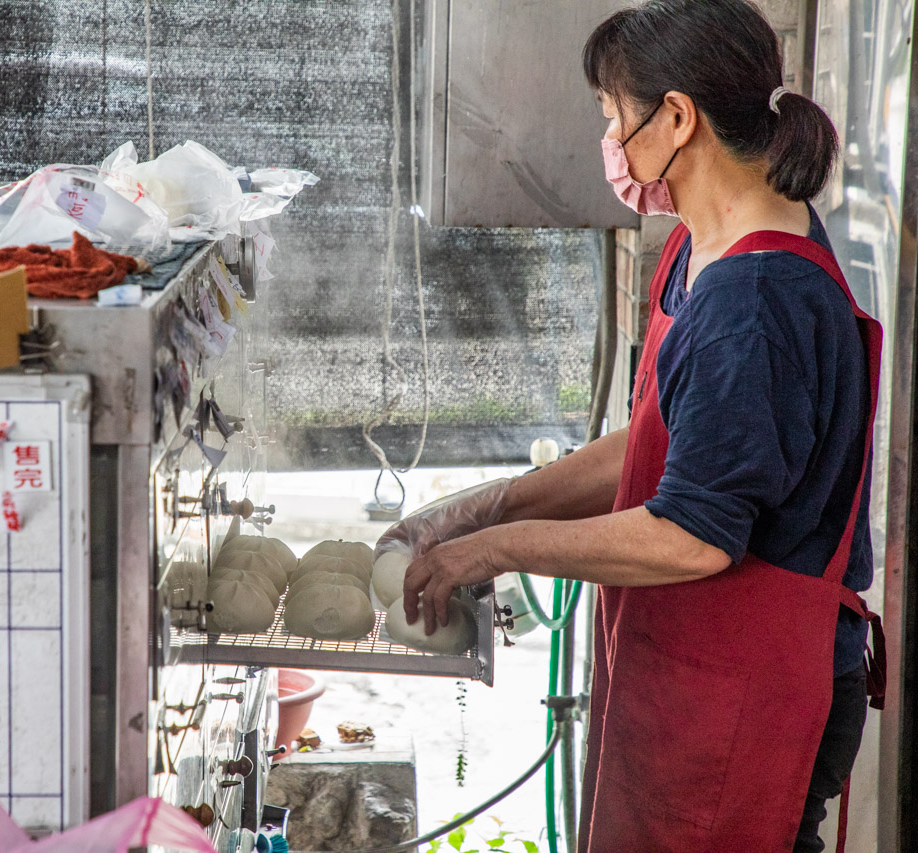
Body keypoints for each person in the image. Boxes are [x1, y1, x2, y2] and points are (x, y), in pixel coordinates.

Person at [378, 1, 885, 851]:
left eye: (615, 115)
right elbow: (664, 441)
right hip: (691, 670)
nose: (609, 139)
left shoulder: (754, 304)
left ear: (678, 117)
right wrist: (490, 504)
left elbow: (693, 536)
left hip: (749, 694)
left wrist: (496, 548)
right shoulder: (703, 245)